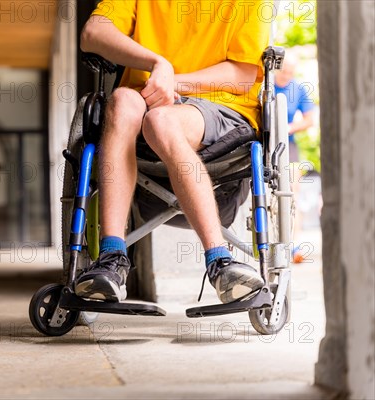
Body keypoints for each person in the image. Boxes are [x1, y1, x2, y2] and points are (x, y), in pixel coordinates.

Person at [74, 0, 271, 304]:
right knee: (122, 101)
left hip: (221, 108)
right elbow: (92, 32)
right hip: (144, 103)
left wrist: (172, 81)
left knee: (161, 120)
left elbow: (243, 74)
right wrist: (157, 64)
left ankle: (219, 260)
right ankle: (112, 257)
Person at [274, 53, 316, 263]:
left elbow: (310, 119)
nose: (287, 76)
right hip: (263, 141)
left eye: (291, 72)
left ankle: (293, 245)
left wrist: (289, 128)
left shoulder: (297, 88)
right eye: (284, 71)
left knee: (292, 193)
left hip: (288, 143)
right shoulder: (265, 85)